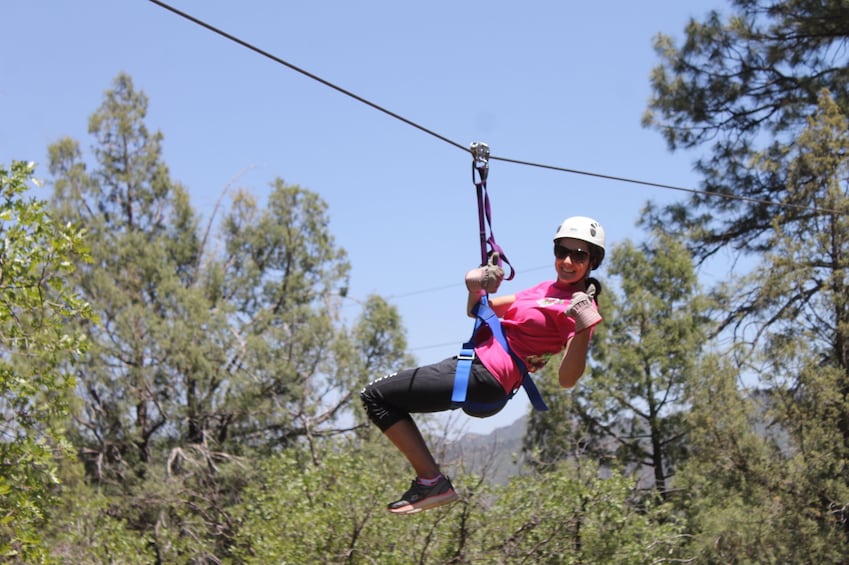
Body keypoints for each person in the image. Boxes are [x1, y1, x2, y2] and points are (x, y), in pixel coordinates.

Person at [360, 216, 605, 514]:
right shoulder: (544, 290)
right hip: (473, 367)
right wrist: (476, 285)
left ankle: (431, 483)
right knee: (377, 396)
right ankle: (431, 482)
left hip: (487, 374)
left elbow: (567, 379)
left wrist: (581, 329)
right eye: (561, 252)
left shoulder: (579, 306)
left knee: (375, 395)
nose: (567, 261)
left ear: (592, 260)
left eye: (578, 255)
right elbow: (478, 309)